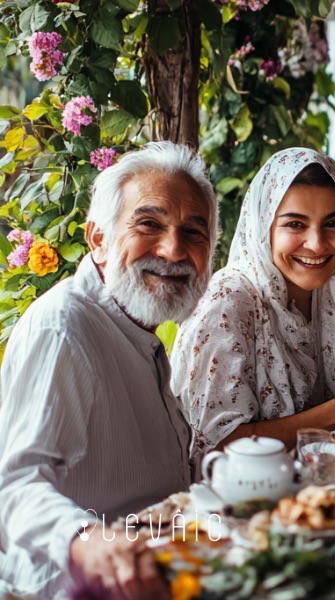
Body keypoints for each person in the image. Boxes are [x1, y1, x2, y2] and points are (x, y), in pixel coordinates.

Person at [0, 142, 217, 598]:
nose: (174, 250)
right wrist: (89, 540)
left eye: (194, 233)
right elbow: (13, 487)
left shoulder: (137, 328)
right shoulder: (64, 329)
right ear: (98, 239)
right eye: (148, 224)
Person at [171, 148, 335, 462]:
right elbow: (215, 450)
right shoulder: (227, 301)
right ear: (263, 228)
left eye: (333, 224)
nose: (316, 244)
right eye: (295, 225)